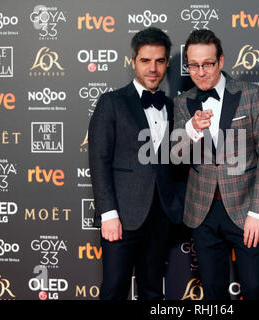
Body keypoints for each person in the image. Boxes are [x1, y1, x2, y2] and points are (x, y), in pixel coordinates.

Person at [173, 29, 259, 300]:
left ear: (220, 61)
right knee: (212, 292)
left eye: (207, 64)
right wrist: (192, 129)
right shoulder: (183, 103)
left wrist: (258, 211)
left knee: (254, 288)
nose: (200, 71)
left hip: (245, 208)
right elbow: (176, 156)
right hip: (203, 211)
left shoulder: (250, 95)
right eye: (193, 65)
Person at [88, 27, 184, 300]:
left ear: (166, 63)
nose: (152, 68)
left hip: (160, 216)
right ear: (133, 62)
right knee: (114, 288)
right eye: (145, 60)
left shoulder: (172, 106)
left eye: (159, 61)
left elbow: (177, 163)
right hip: (122, 215)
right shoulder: (112, 102)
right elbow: (99, 159)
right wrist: (108, 214)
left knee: (153, 290)